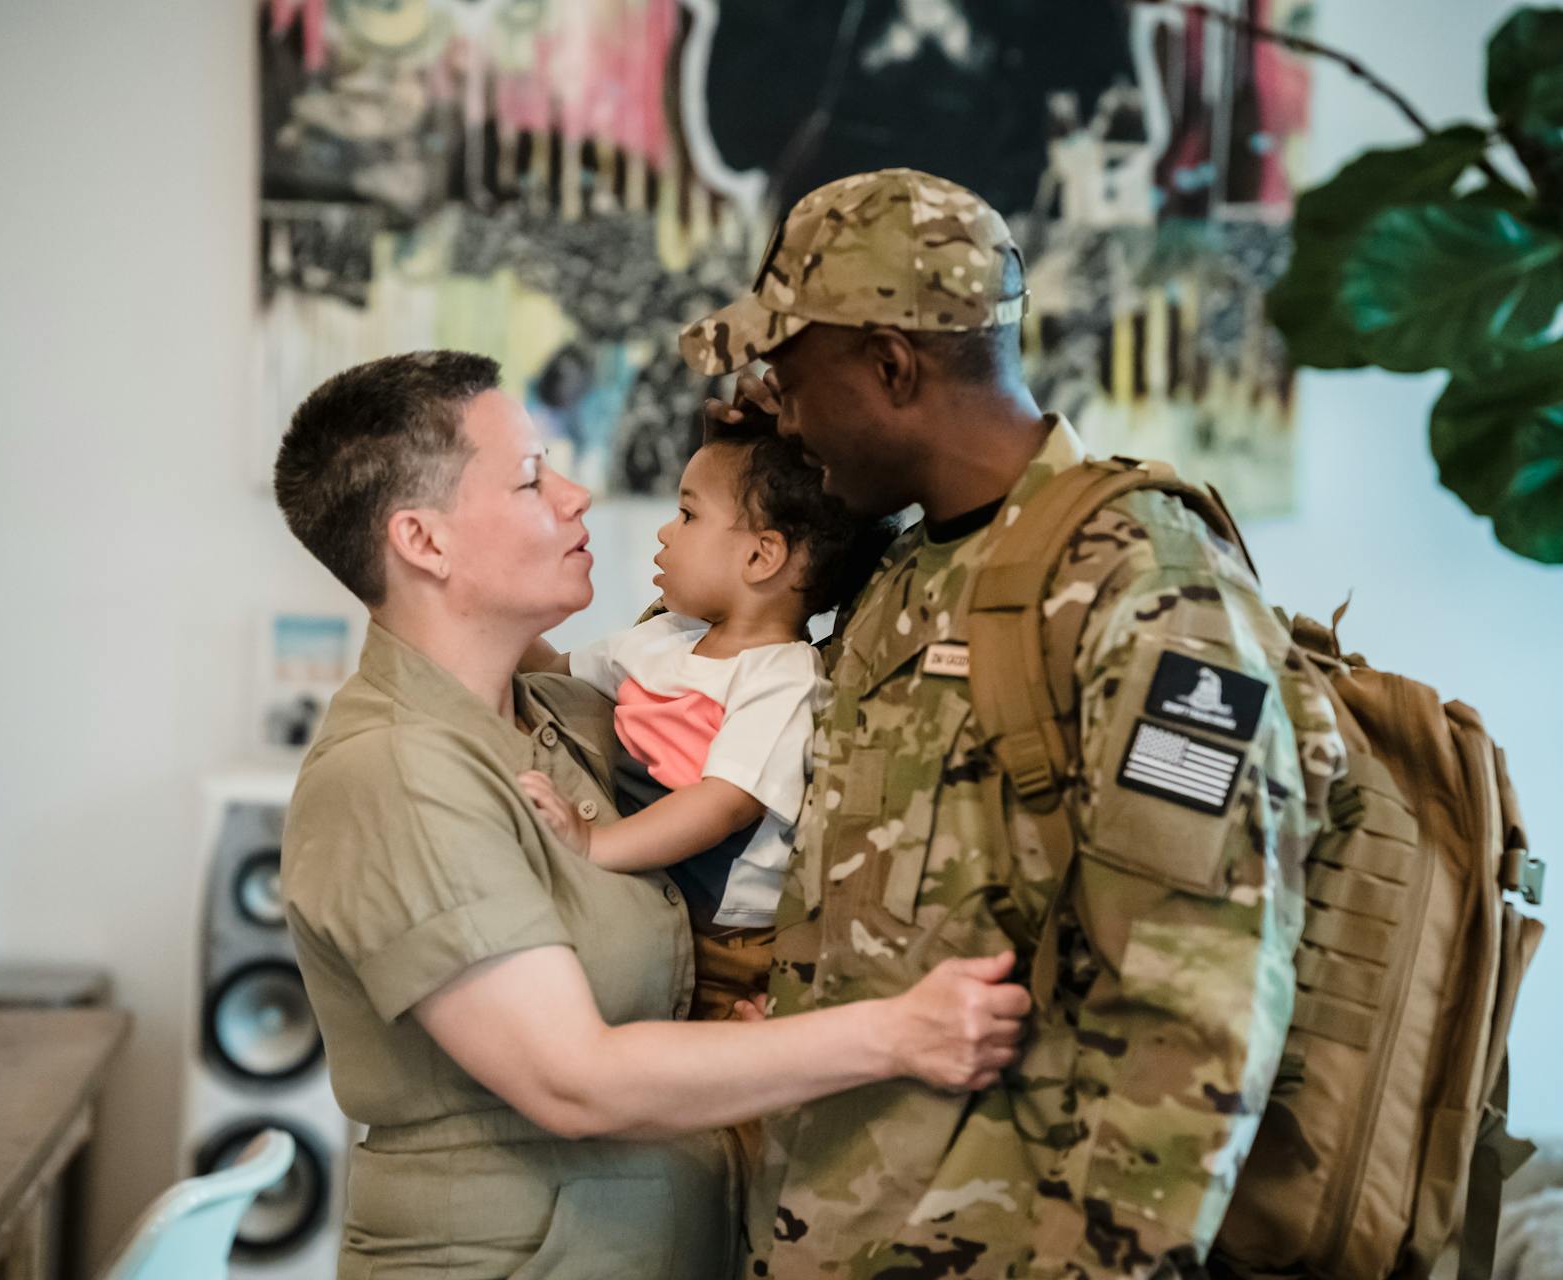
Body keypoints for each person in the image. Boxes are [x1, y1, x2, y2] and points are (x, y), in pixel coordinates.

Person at [679, 169, 1346, 1277]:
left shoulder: (1149, 588)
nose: (782, 409)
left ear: (892, 364)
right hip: (829, 1230)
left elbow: (1195, 1010)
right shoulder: (905, 569)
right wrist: (776, 456)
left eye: (792, 380)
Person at [272, 350, 1030, 1279]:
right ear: (423, 542)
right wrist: (899, 1033)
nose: (578, 494)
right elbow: (571, 1078)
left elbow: (760, 618)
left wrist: (812, 450)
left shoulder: (558, 716)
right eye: (530, 477)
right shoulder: (397, 770)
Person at [516, 419, 893, 1029]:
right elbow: (551, 672)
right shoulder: (663, 639)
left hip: (727, 947)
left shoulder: (783, 678)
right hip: (652, 906)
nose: (666, 533)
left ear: (761, 554)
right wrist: (488, 609)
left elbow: (722, 805)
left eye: (688, 515)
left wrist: (595, 845)